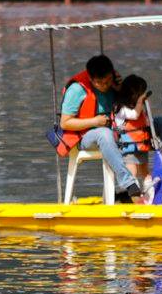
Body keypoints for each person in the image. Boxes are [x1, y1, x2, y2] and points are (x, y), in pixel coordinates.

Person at [54, 53, 144, 203]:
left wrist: (120, 88)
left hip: (116, 131)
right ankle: (129, 184)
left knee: (157, 123)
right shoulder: (77, 90)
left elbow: (130, 109)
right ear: (90, 79)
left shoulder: (114, 83)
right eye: (99, 83)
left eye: (108, 81)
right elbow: (65, 123)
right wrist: (94, 121)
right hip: (85, 136)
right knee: (104, 133)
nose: (104, 86)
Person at [111, 74, 154, 202]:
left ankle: (150, 198)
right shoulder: (121, 108)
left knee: (146, 172)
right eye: (141, 94)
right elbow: (134, 115)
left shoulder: (139, 107)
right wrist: (141, 102)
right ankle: (135, 199)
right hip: (128, 147)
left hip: (141, 145)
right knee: (132, 172)